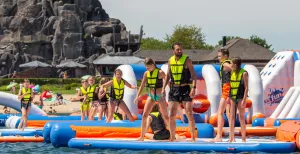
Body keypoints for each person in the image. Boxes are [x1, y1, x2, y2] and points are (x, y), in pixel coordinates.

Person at [161, 42, 196, 142]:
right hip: (174, 89)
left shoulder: (187, 60)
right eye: (178, 49)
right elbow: (168, 75)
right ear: (173, 51)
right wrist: (163, 87)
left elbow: (193, 75)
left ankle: (193, 138)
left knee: (189, 113)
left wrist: (194, 88)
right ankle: (172, 137)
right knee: (172, 114)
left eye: (181, 49)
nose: (180, 51)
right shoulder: (170, 60)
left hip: (185, 89)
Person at [134, 58, 169, 141]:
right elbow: (142, 85)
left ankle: (173, 135)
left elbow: (167, 80)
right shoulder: (146, 73)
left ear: (153, 65)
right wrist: (137, 96)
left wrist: (164, 88)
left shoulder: (160, 72)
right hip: (151, 96)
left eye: (149, 67)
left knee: (165, 116)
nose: (147, 69)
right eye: (146, 67)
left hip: (160, 96)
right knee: (144, 115)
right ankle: (141, 136)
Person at [210, 48, 232, 142]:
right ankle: (231, 137)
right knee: (229, 114)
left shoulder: (225, 64)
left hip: (227, 90)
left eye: (220, 56)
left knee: (220, 113)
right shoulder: (229, 62)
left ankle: (219, 136)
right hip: (230, 89)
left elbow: (233, 69)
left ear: (225, 56)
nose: (218, 58)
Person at [228, 57, 248, 142]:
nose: (230, 65)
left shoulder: (244, 73)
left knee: (241, 117)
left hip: (240, 97)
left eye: (231, 63)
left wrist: (244, 99)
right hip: (232, 96)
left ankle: (243, 138)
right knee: (232, 116)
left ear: (235, 64)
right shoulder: (232, 72)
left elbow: (246, 88)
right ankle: (231, 138)